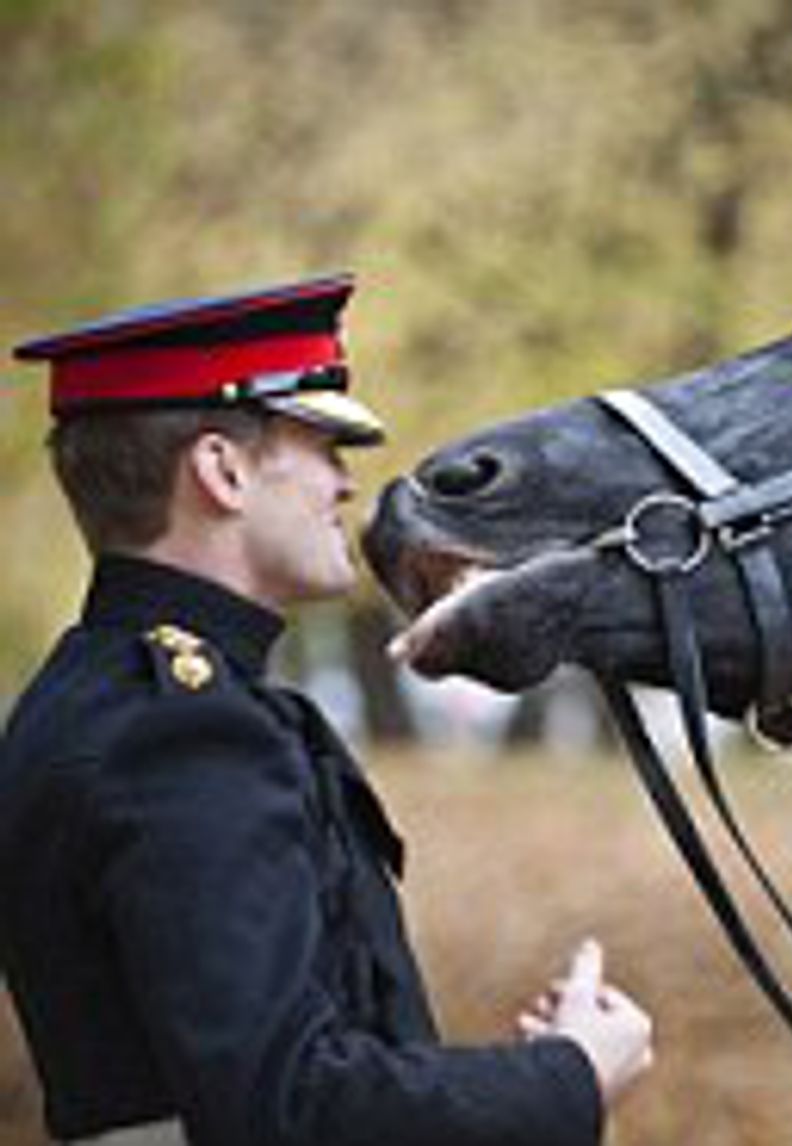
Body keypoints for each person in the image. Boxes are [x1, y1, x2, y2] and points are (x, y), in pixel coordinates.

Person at [0, 275, 652, 1145]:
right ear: (221, 471)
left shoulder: (109, 694)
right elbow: (287, 1108)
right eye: (323, 448)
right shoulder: (180, 733)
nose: (346, 486)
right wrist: (565, 1076)